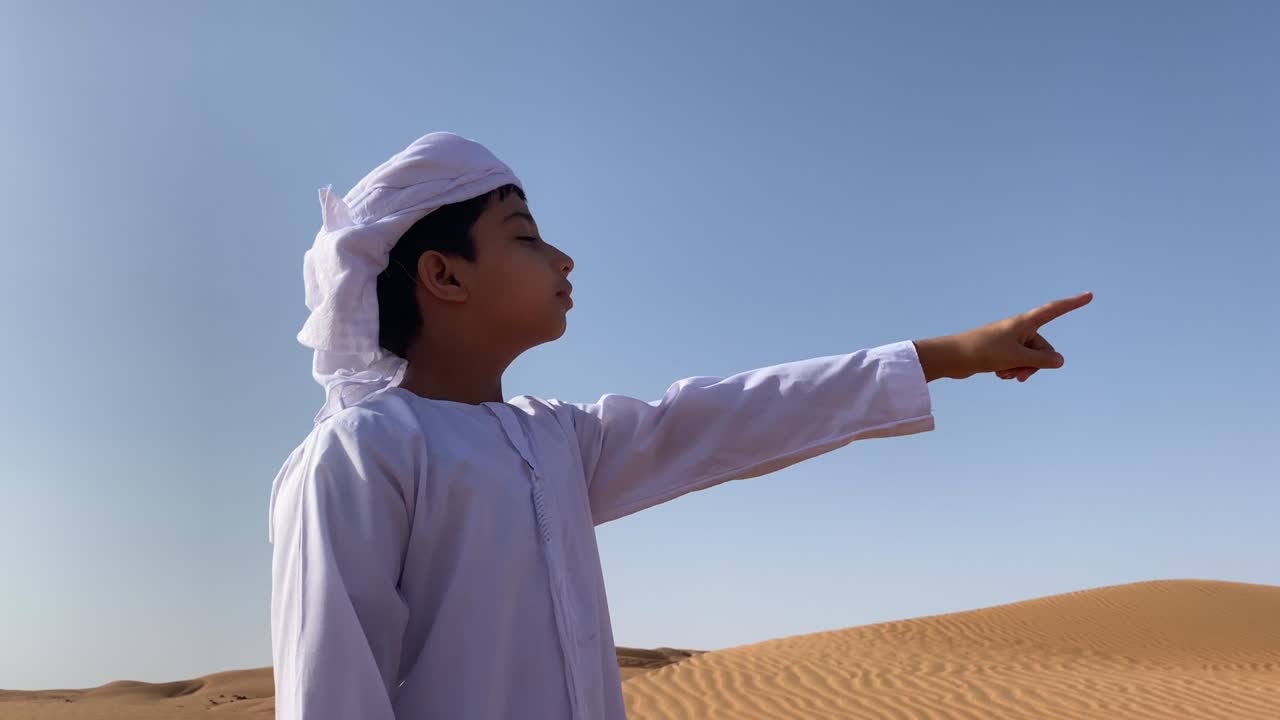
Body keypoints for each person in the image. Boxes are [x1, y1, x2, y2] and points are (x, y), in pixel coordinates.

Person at [268, 131, 1092, 719]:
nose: (563, 259)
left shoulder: (555, 441)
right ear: (444, 276)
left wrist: (946, 355)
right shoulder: (362, 453)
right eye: (526, 237)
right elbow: (331, 690)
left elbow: (733, 416)